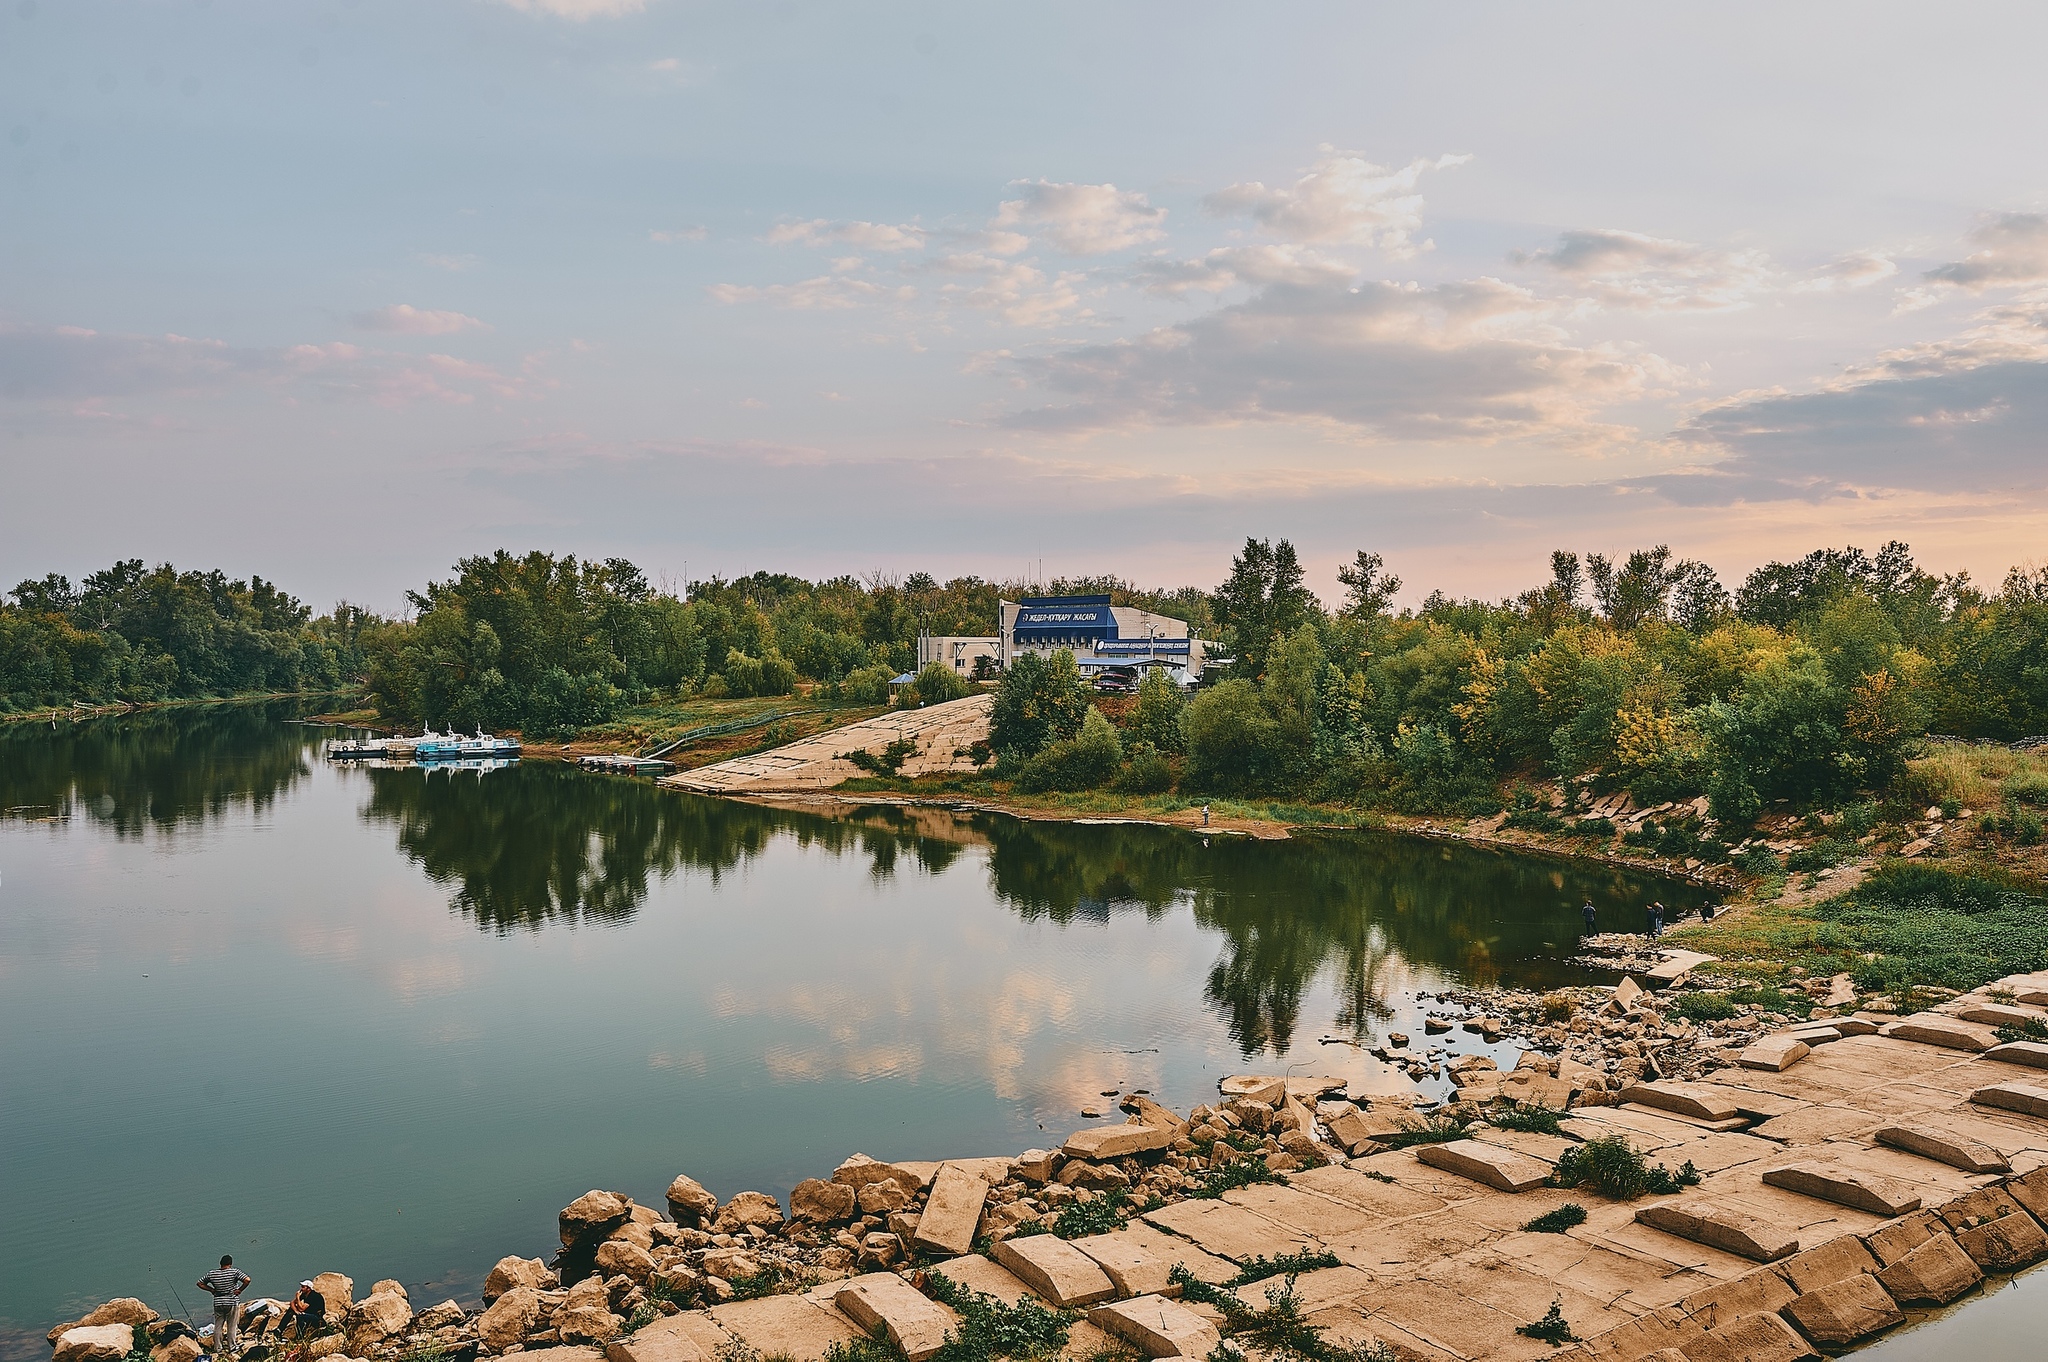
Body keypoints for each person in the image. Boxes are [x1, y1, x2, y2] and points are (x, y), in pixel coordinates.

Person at [198, 1255, 250, 1358]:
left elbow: (200, 1283)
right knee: (232, 1325)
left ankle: (218, 1348)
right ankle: (232, 1346)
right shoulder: (234, 1272)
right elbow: (247, 1280)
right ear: (230, 1264)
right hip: (231, 1301)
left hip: (218, 1302)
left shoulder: (212, 1273)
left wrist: (211, 1290)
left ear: (220, 1264)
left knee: (218, 1326)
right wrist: (240, 1290)